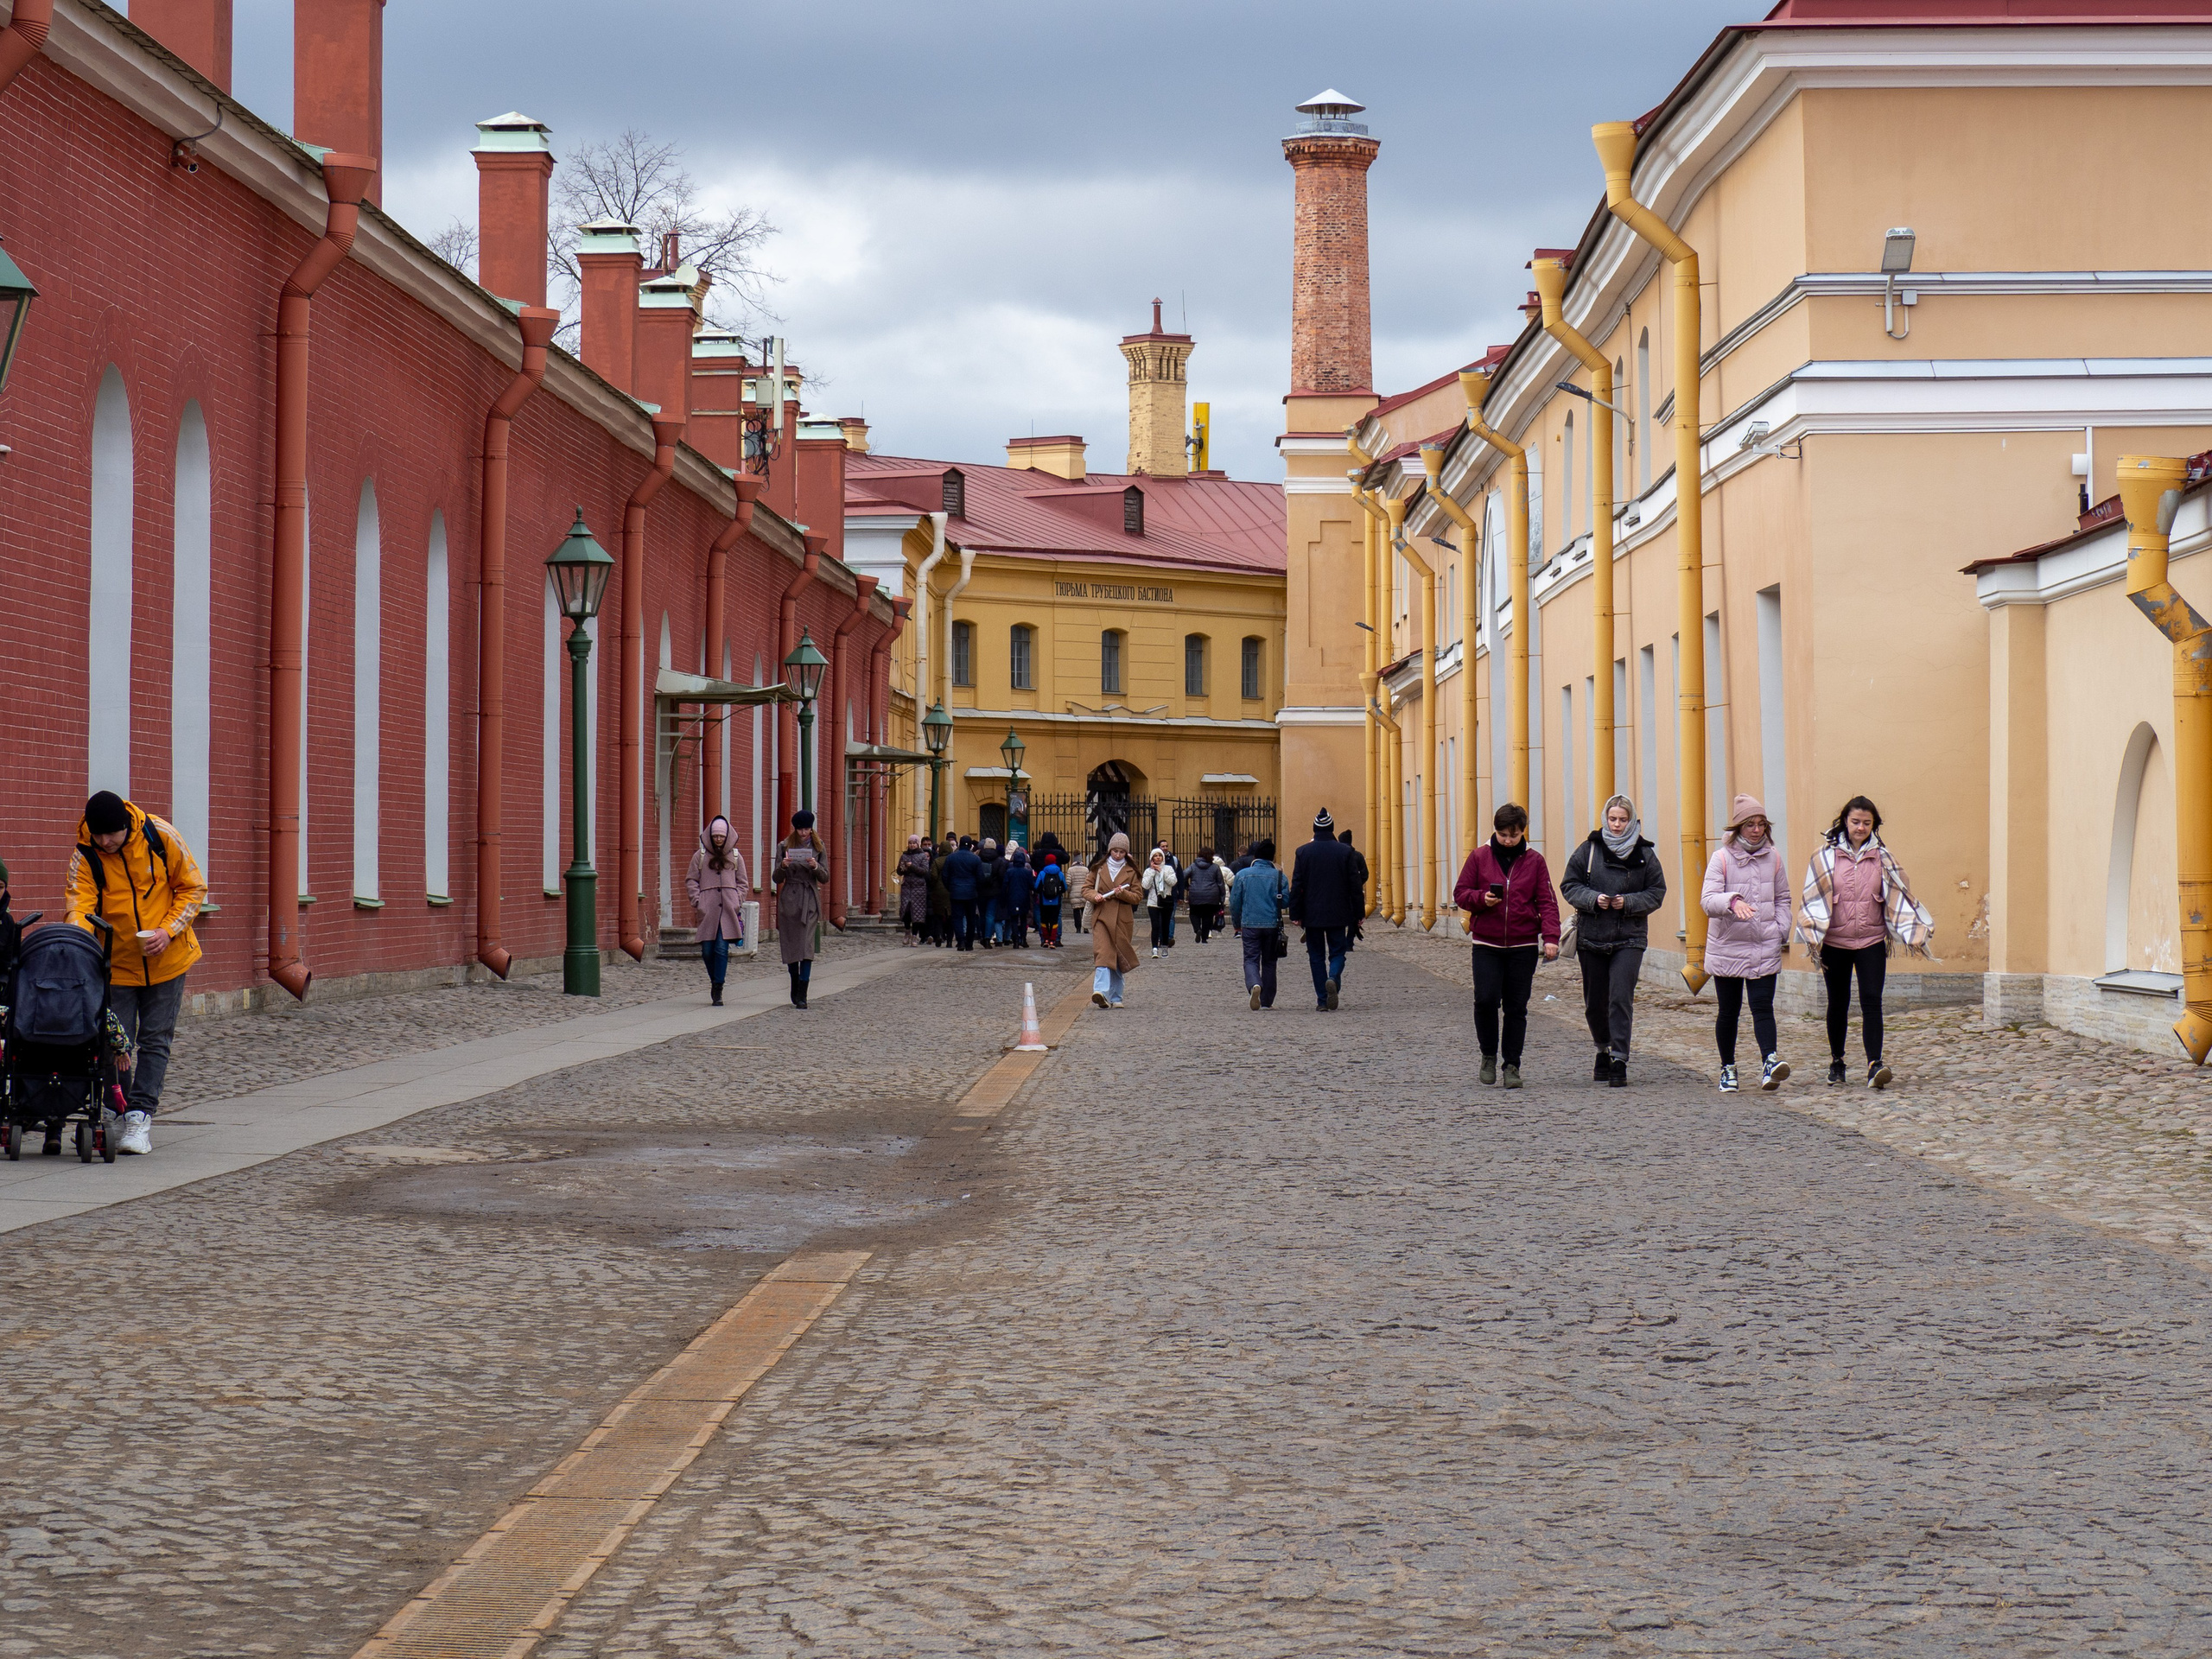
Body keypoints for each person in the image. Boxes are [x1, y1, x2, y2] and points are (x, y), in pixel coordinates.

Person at [64, 791, 207, 1154]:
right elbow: (79, 904)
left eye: (110, 834)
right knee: (114, 1042)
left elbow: (193, 888)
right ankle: (118, 1109)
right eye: (98, 835)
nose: (104, 842)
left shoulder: (160, 836)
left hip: (168, 957)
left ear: (126, 826)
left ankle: (141, 1115)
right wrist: (81, 943)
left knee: (156, 1039)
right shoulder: (86, 853)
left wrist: (168, 930)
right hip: (116, 964)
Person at [1799, 795, 1935, 1090]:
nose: (1860, 828)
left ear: (1874, 825)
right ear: (1845, 822)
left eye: (1866, 823)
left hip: (1871, 940)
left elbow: (1901, 895)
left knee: (1872, 1001)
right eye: (1855, 822)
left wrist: (1913, 928)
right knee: (1838, 1002)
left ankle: (1875, 1064)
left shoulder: (1884, 857)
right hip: (1835, 941)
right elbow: (1812, 897)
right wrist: (1812, 929)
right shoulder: (1823, 857)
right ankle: (1837, 1062)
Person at [1560, 794, 1668, 1088]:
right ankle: (1602, 1049)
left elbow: (1657, 891)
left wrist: (1629, 902)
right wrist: (1594, 899)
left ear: (1631, 820)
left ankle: (1620, 1058)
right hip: (1592, 937)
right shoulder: (1589, 849)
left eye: (1622, 819)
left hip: (1629, 937)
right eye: (1612, 819)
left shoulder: (1645, 854)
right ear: (1605, 819)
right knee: (1595, 1002)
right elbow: (1569, 885)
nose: (1617, 825)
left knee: (1620, 998)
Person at [1453, 803, 1559, 1088]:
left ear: (1522, 832)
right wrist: (1481, 899)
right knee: (1485, 999)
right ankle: (1488, 1054)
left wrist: (1550, 938)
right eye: (1502, 835)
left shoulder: (1534, 861)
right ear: (1496, 832)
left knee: (1516, 1006)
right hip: (1486, 943)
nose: (1508, 841)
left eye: (1513, 835)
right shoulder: (1479, 857)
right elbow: (1460, 893)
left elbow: (1547, 902)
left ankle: (1512, 1064)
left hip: (1522, 944)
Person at [1701, 794, 1794, 1092]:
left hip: (1764, 943)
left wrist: (1780, 929)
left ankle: (1769, 1063)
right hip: (1728, 945)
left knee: (1762, 1006)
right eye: (1750, 824)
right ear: (1738, 827)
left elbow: (1783, 898)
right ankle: (1728, 1068)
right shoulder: (1721, 858)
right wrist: (1733, 901)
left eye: (1761, 824)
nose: (1756, 830)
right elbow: (1707, 900)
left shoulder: (1774, 857)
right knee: (1729, 1011)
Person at [1287, 808, 1364, 1011]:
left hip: (1312, 914)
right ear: (1332, 829)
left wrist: (1295, 913)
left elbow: (1297, 885)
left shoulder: (1303, 852)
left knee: (1316, 956)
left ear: (1314, 829)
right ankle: (1333, 978)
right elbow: (1354, 885)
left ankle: (1322, 999)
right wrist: (1359, 913)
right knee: (1338, 952)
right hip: (1339, 912)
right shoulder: (1345, 851)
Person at [685, 816, 750, 1005]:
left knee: (721, 949)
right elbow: (691, 880)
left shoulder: (736, 856)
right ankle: (714, 979)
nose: (719, 840)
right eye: (716, 837)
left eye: (722, 836)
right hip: (708, 910)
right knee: (707, 951)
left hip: (728, 909)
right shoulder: (701, 856)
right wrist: (698, 901)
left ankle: (718, 987)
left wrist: (737, 901)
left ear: (727, 836)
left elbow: (743, 882)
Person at [770, 810, 828, 1007]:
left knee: (806, 947)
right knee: (791, 945)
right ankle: (794, 981)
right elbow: (776, 878)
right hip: (790, 900)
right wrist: (784, 866)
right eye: (800, 829)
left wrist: (815, 867)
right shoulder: (784, 846)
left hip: (809, 899)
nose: (804, 833)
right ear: (795, 829)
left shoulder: (819, 847)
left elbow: (825, 877)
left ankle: (803, 991)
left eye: (807, 829)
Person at [1228, 836, 1289, 1009]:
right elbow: (1285, 902)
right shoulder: (1279, 877)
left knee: (1251, 959)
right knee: (1270, 961)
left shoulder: (1242, 875)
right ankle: (1267, 1000)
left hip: (1250, 924)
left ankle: (1255, 984)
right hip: (1272, 925)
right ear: (1272, 857)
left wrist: (1237, 923)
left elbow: (1234, 903)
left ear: (1256, 856)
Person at [1089, 831, 1141, 1007]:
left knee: (1118, 958)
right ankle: (1101, 992)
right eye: (1114, 851)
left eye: (1121, 852)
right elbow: (1086, 888)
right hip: (1102, 917)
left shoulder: (1131, 871)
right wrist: (1094, 895)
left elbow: (1137, 897)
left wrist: (1123, 893)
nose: (1117, 855)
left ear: (1126, 853)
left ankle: (1116, 997)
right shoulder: (1099, 868)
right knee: (1103, 955)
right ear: (1109, 850)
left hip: (1122, 920)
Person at [941, 836, 984, 950]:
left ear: (959, 845)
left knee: (957, 918)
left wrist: (950, 887)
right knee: (971, 918)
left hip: (956, 891)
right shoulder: (975, 859)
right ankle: (969, 943)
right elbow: (980, 877)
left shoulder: (951, 858)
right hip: (971, 892)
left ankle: (960, 941)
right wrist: (977, 889)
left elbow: (945, 875)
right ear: (971, 846)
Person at [1185, 845, 1228, 943]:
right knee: (1208, 916)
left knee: (1194, 914)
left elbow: (1183, 876)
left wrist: (1188, 887)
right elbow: (1220, 883)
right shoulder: (1215, 867)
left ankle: (1197, 929)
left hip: (1195, 894)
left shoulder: (1193, 866)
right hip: (1212, 896)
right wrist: (1222, 898)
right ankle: (1204, 938)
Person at [896, 835, 933, 945]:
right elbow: (899, 871)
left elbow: (925, 871)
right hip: (907, 886)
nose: (912, 845)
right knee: (906, 911)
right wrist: (902, 868)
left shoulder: (922, 856)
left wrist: (912, 867)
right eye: (910, 843)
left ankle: (914, 936)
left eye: (914, 843)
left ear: (917, 844)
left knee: (917, 913)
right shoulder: (904, 855)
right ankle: (907, 932)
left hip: (919, 888)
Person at [1141, 847, 1177, 957]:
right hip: (1153, 902)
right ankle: (1154, 948)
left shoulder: (1169, 869)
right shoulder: (1148, 871)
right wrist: (1152, 871)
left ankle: (1165, 946)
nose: (1158, 858)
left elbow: (1173, 882)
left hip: (1166, 900)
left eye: (1159, 855)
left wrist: (1162, 873)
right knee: (1155, 925)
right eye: (1155, 856)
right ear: (1152, 858)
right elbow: (1145, 885)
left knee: (1165, 925)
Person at [1001, 844, 1037, 949]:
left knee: (1014, 920)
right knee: (1023, 919)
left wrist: (1003, 898)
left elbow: (1005, 885)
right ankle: (1023, 939)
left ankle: (1015, 941)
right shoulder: (1027, 872)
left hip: (1012, 898)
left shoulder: (1009, 871)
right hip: (1024, 898)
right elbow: (1032, 886)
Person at [925, 838, 954, 946]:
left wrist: (933, 886)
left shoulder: (937, 861)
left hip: (938, 891)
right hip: (951, 890)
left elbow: (933, 876)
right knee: (950, 916)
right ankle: (950, 941)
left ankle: (939, 936)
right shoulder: (953, 860)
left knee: (938, 916)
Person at [977, 836, 1005, 948]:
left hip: (981, 891)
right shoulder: (999, 861)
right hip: (994, 892)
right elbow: (1002, 877)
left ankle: (983, 936)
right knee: (990, 915)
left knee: (982, 915)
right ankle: (988, 938)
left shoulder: (978, 859)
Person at [1035, 853, 1066, 947]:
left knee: (1044, 920)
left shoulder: (1042, 873)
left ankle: (1046, 940)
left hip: (1044, 901)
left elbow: (1036, 886)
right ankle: (1053, 940)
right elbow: (1064, 887)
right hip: (1056, 901)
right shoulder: (1059, 873)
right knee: (1054, 921)